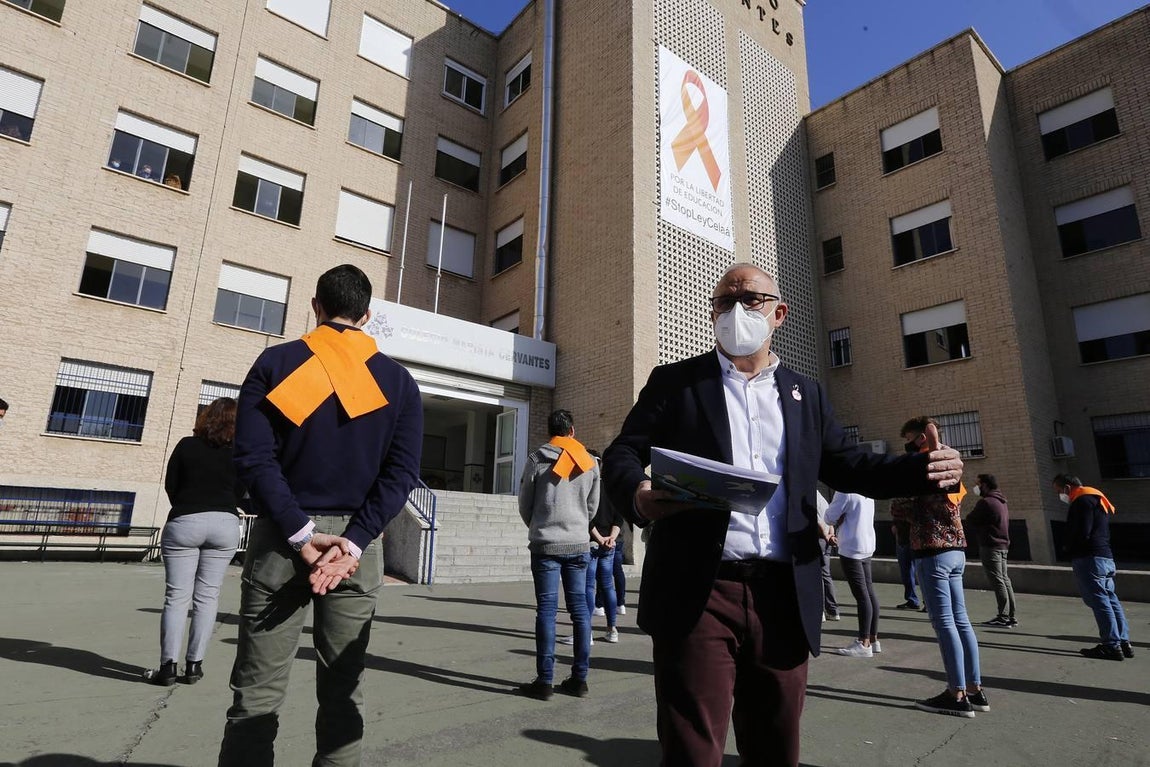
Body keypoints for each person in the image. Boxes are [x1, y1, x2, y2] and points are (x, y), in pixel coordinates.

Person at [602, 263, 965, 766]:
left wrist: (921, 470)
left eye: (748, 299)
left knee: (775, 745)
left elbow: (849, 464)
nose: (734, 310)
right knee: (691, 747)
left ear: (779, 313)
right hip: (698, 590)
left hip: (784, 594)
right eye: (723, 302)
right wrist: (638, 491)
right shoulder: (675, 383)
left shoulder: (806, 394)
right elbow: (621, 452)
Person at [218, 264, 424, 766]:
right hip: (357, 550)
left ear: (315, 306)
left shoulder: (276, 363)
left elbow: (252, 458)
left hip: (279, 543)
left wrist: (300, 532)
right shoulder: (399, 382)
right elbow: (400, 476)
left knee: (256, 696)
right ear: (367, 316)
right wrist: (351, 542)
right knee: (343, 692)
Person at [145, 397, 244, 687]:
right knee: (208, 596)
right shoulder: (238, 452)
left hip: (185, 520)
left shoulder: (187, 445)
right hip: (225, 523)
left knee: (176, 597)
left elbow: (171, 483)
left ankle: (167, 668)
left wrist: (186, 507)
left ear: (206, 418)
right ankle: (194, 666)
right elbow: (241, 488)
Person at [891, 416, 986, 718]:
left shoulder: (923, 465)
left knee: (944, 622)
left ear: (919, 438)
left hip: (932, 550)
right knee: (961, 620)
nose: (905, 445)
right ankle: (975, 689)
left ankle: (955, 694)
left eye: (908, 438)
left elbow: (900, 506)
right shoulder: (952, 462)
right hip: (957, 549)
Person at [516, 409, 600, 700]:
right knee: (580, 612)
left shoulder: (537, 459)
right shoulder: (589, 462)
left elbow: (525, 503)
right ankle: (580, 679)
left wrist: (540, 524)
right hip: (578, 544)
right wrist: (577, 526)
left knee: (547, 612)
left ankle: (545, 681)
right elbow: (593, 507)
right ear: (572, 431)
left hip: (546, 545)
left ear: (549, 432)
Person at [1053, 473, 1133, 661]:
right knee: (1110, 599)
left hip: (1089, 558)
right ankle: (1123, 642)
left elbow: (1082, 531)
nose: (1060, 496)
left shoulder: (1082, 502)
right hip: (1105, 556)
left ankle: (1111, 645)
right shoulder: (1098, 500)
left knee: (1099, 601)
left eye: (1058, 491)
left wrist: (1068, 547)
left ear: (1067, 487)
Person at [826, 492, 880, 658]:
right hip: (867, 544)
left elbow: (829, 517)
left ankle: (863, 642)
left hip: (851, 546)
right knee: (869, 592)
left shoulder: (844, 491)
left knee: (862, 595)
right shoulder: (867, 488)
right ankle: (872, 639)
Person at [966, 474, 1017, 627]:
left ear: (985, 485)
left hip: (991, 545)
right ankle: (1010, 615)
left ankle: (1003, 616)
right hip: (1002, 545)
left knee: (998, 581)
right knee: (1004, 580)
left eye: (978, 484)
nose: (976, 487)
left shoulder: (986, 502)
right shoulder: (1001, 501)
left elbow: (971, 519)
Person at [585, 450, 622, 644]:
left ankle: (587, 633)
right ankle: (612, 629)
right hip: (610, 543)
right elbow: (619, 517)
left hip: (592, 542)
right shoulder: (612, 488)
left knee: (589, 587)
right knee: (608, 586)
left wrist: (599, 539)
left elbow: (586, 518)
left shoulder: (586, 486)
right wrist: (611, 538)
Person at [816, 490, 841, 621]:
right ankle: (833, 610)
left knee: (816, 575)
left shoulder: (808, 495)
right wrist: (831, 535)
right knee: (826, 574)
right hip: (826, 539)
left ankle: (820, 611)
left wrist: (826, 537)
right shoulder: (821, 498)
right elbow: (829, 519)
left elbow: (818, 521)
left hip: (819, 539)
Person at [892, 518, 922, 610]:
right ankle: (912, 600)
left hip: (918, 539)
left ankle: (928, 602)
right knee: (906, 572)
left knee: (922, 572)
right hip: (903, 538)